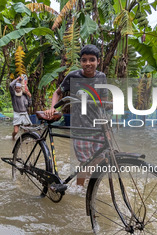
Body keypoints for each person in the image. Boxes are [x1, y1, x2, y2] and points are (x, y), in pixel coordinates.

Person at [45, 44, 108, 186]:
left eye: (92, 60)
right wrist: (52, 108)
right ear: (80, 62)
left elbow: (103, 103)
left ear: (98, 61)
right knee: (85, 162)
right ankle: (80, 189)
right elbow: (58, 92)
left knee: (99, 159)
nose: (88, 64)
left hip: (97, 125)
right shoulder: (73, 76)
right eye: (84, 60)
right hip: (80, 126)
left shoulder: (101, 77)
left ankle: (91, 188)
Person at [9, 75, 32, 140]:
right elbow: (10, 85)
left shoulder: (25, 96)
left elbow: (29, 105)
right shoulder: (13, 95)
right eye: (16, 88)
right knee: (16, 131)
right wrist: (17, 79)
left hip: (24, 113)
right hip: (17, 113)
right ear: (15, 88)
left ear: (21, 88)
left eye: (19, 88)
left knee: (26, 130)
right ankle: (13, 137)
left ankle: (25, 140)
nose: (18, 89)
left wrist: (30, 97)